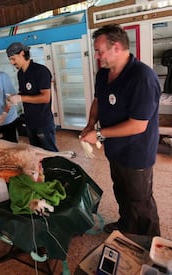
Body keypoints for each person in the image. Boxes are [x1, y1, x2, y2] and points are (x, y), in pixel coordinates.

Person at [80, 24, 160, 236]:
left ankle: (150, 243)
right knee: (121, 193)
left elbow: (138, 124)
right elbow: (98, 101)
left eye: (100, 50)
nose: (97, 56)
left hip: (137, 153)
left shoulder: (142, 77)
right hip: (115, 150)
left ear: (116, 47)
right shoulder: (103, 75)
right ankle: (126, 226)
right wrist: (90, 124)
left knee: (140, 201)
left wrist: (98, 134)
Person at [6, 42, 58, 152]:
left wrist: (21, 98)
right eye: (10, 60)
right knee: (36, 153)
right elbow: (24, 93)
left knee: (50, 153)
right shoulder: (20, 74)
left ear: (21, 54)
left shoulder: (40, 71)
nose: (11, 62)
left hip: (43, 122)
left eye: (13, 58)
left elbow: (45, 98)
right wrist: (15, 97)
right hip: (30, 121)